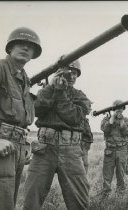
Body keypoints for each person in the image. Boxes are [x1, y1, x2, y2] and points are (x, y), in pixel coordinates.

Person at [22, 60, 91, 210]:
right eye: (68, 72)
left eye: (75, 74)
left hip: (71, 150)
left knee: (79, 202)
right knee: (31, 200)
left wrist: (60, 93)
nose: (72, 76)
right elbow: (36, 110)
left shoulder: (80, 96)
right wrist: (51, 88)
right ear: (59, 73)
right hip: (44, 149)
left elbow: (73, 117)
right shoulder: (46, 91)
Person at [0, 27, 41, 210]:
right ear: (10, 47)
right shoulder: (1, 68)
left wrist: (25, 145)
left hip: (16, 147)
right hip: (2, 144)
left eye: (30, 46)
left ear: (33, 54)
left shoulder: (24, 79)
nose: (25, 48)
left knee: (9, 201)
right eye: (20, 43)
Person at [100, 100, 128, 198]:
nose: (119, 110)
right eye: (117, 109)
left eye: (121, 108)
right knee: (107, 174)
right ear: (113, 109)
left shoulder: (126, 120)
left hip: (121, 150)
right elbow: (105, 130)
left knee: (121, 174)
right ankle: (105, 194)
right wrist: (112, 119)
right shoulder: (106, 119)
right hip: (110, 150)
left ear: (123, 109)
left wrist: (121, 121)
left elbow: (126, 133)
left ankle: (120, 195)